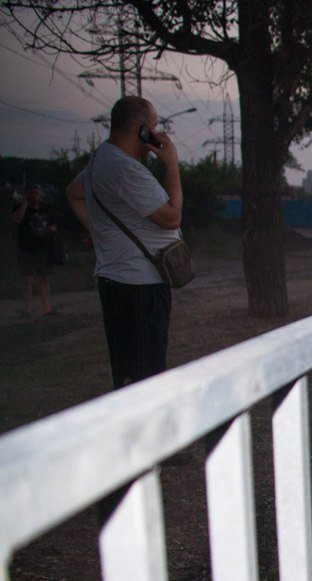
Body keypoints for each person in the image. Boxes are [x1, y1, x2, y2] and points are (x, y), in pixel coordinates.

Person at [66, 96, 183, 390]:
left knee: (128, 373)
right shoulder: (125, 169)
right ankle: (146, 434)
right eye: (154, 128)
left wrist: (100, 231)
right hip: (139, 287)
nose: (157, 136)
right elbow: (171, 217)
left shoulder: (100, 160)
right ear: (142, 130)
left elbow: (73, 192)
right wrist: (171, 165)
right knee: (146, 377)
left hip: (118, 283)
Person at [11, 183, 59, 317]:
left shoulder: (45, 209)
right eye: (31, 193)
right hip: (26, 249)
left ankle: (46, 308)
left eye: (36, 193)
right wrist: (25, 204)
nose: (34, 196)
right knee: (27, 280)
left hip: (43, 249)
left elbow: (54, 226)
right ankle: (27, 310)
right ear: (26, 195)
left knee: (44, 279)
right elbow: (16, 219)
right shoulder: (20, 208)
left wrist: (50, 229)